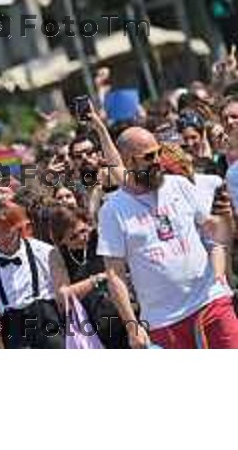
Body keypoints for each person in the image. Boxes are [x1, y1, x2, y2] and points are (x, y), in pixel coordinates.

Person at [97, 126, 238, 349]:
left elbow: (215, 233)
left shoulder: (179, 185)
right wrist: (132, 326)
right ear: (128, 161)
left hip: (210, 301)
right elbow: (115, 274)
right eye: (149, 157)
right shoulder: (112, 210)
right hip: (164, 320)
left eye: (159, 152)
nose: (158, 161)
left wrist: (227, 220)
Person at [0, 199, 66, 349]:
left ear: (17, 226)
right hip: (12, 331)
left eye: (6, 230)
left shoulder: (45, 252)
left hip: (48, 325)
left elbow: (64, 297)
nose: (2, 238)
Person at [48, 206, 128, 348]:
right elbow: (63, 295)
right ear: (62, 241)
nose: (82, 238)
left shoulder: (101, 238)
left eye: (83, 230)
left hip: (125, 315)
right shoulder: (57, 255)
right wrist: (99, 278)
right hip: (92, 328)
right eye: (73, 237)